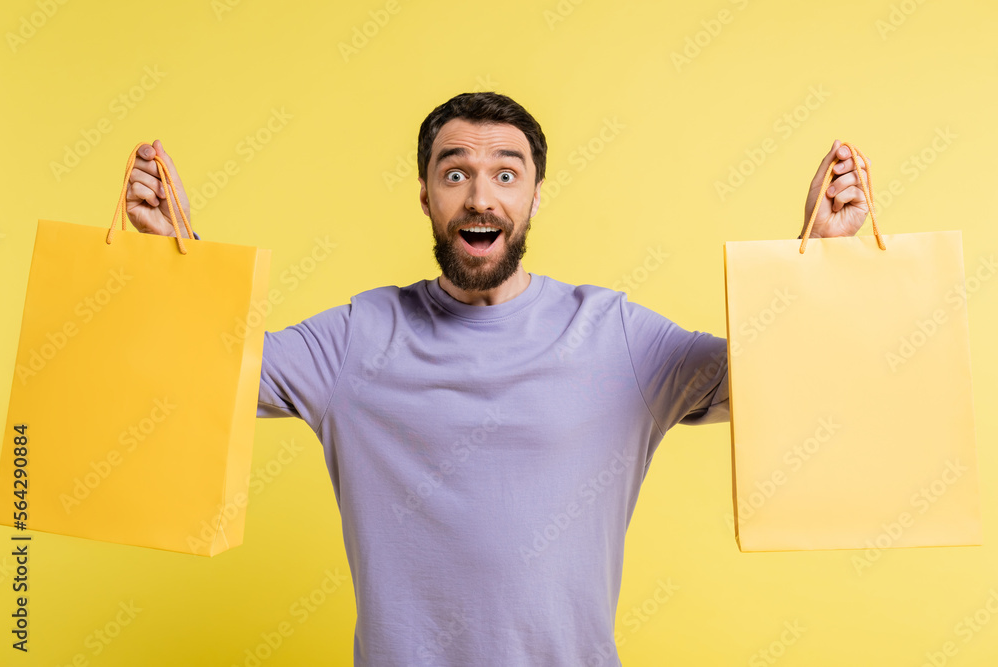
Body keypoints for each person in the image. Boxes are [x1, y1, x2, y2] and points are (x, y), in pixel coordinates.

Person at [124, 92, 871, 666]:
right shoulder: (356, 338)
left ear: (535, 196)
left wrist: (821, 261)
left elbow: (770, 377)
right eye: (456, 173)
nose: (481, 196)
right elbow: (208, 373)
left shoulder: (614, 334)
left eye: (505, 174)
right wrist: (174, 260)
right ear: (427, 196)